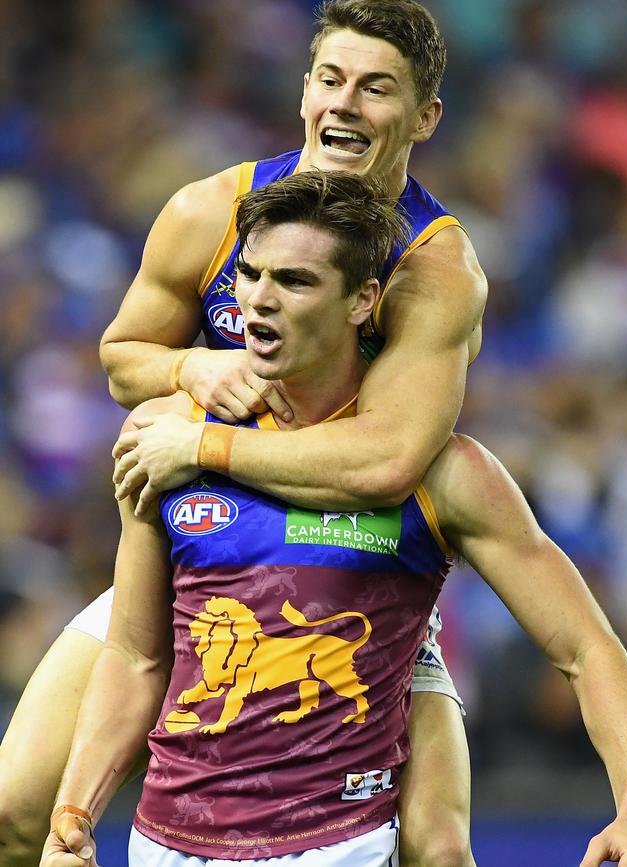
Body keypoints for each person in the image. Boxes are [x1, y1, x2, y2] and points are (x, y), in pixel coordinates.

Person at [43, 171, 627, 867]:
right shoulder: (164, 439)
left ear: (363, 300)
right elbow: (136, 656)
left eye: (296, 281)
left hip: (341, 846)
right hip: (167, 844)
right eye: (249, 274)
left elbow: (588, 648)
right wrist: (73, 815)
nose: (260, 300)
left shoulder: (440, 473)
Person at [1, 2, 483, 865]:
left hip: (359, 569)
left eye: (376, 90)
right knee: (13, 808)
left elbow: (388, 460)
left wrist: (201, 444)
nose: (345, 105)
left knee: (436, 850)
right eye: (330, 80)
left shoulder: (434, 270)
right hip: (209, 555)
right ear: (303, 90)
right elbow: (121, 357)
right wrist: (190, 371)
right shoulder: (212, 210)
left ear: (424, 117)